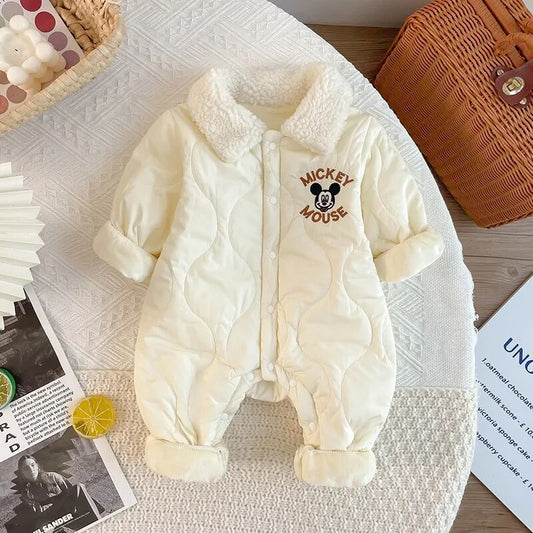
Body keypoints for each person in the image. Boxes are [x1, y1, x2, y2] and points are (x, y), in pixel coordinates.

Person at [6, 455, 102, 533]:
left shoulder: (52, 476)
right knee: (42, 528)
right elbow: (40, 513)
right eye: (26, 468)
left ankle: (99, 522)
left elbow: (71, 492)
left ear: (37, 466)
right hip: (51, 518)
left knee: (78, 487)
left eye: (32, 465)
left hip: (67, 509)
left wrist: (52, 504)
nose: (31, 470)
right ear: (22, 473)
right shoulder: (26, 492)